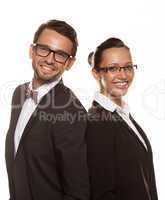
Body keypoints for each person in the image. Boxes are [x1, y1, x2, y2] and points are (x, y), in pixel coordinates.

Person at [5, 19, 89, 200]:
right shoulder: (19, 93)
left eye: (60, 54)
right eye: (44, 49)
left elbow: (78, 193)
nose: (50, 59)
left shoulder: (72, 112)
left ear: (69, 63)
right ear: (32, 51)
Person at [86, 38, 158, 200]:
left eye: (128, 67)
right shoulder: (98, 122)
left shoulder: (122, 114)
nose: (123, 75)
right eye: (113, 68)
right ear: (96, 73)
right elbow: (102, 193)